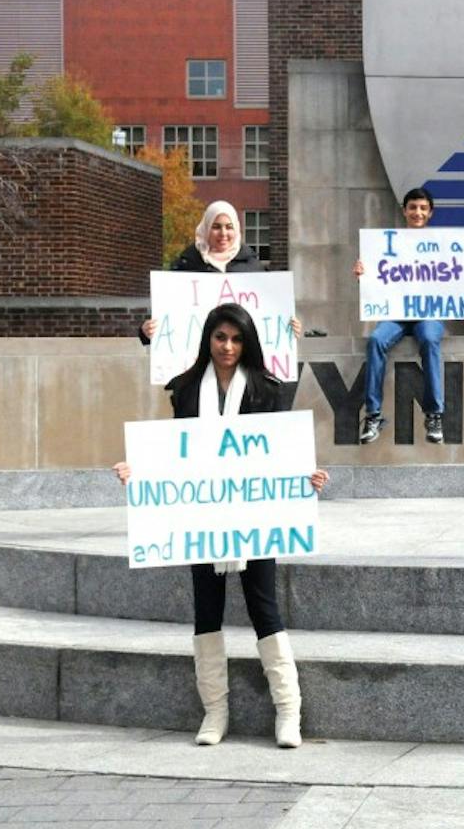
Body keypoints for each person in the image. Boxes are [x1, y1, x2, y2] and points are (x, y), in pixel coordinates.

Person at [113, 303, 329, 749]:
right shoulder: (186, 389)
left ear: (246, 343)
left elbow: (279, 450)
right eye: (220, 337)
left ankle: (289, 711)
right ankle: (215, 711)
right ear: (208, 340)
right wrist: (138, 471)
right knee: (206, 612)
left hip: (255, 518)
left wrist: (306, 478)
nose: (228, 346)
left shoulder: (267, 389)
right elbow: (175, 451)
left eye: (236, 339)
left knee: (264, 609)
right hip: (202, 517)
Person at [353, 187, 464, 445]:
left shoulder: (444, 245)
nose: (418, 213)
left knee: (429, 340)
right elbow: (378, 281)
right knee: (376, 340)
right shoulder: (385, 244)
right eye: (413, 207)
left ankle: (434, 415)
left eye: (423, 208)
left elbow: (456, 276)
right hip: (396, 314)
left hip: (428, 313)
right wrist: (363, 274)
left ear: (430, 212)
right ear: (404, 210)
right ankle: (373, 415)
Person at [138, 200, 299, 344]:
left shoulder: (254, 268)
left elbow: (269, 318)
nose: (223, 233)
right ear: (206, 228)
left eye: (229, 227)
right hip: (197, 359)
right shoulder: (186, 266)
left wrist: (289, 328)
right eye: (216, 227)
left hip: (242, 359)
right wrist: (146, 332)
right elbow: (167, 318)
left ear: (237, 229)